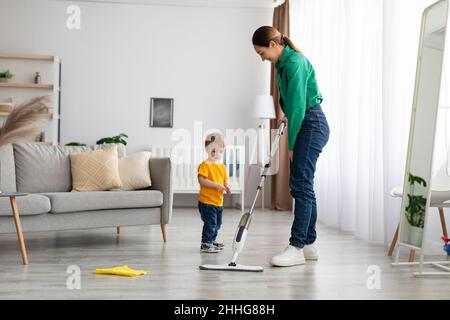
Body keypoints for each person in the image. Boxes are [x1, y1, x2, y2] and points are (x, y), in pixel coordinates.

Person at [252, 26, 330, 267]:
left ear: (274, 45)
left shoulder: (294, 63)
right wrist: (286, 116)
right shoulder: (282, 64)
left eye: (262, 52)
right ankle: (309, 245)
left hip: (311, 124)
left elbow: (298, 108)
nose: (262, 57)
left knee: (300, 186)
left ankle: (296, 247)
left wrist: (292, 145)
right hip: (307, 120)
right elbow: (293, 103)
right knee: (304, 186)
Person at [197, 133, 231, 253]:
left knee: (217, 224)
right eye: (213, 151)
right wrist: (216, 185)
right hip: (207, 202)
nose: (217, 155)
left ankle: (212, 240)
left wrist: (227, 185)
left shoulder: (221, 166)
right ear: (207, 149)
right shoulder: (205, 165)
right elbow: (202, 180)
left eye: (220, 152)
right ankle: (206, 243)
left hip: (218, 201)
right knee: (210, 223)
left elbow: (225, 178)